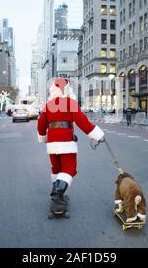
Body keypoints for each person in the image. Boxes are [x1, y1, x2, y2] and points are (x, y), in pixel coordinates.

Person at [37, 78, 105, 214]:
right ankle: (57, 195)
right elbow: (83, 123)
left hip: (52, 143)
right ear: (67, 89)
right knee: (69, 169)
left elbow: (41, 125)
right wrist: (98, 135)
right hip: (66, 143)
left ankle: (58, 194)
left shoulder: (48, 105)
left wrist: (43, 137)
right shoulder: (71, 103)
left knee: (57, 169)